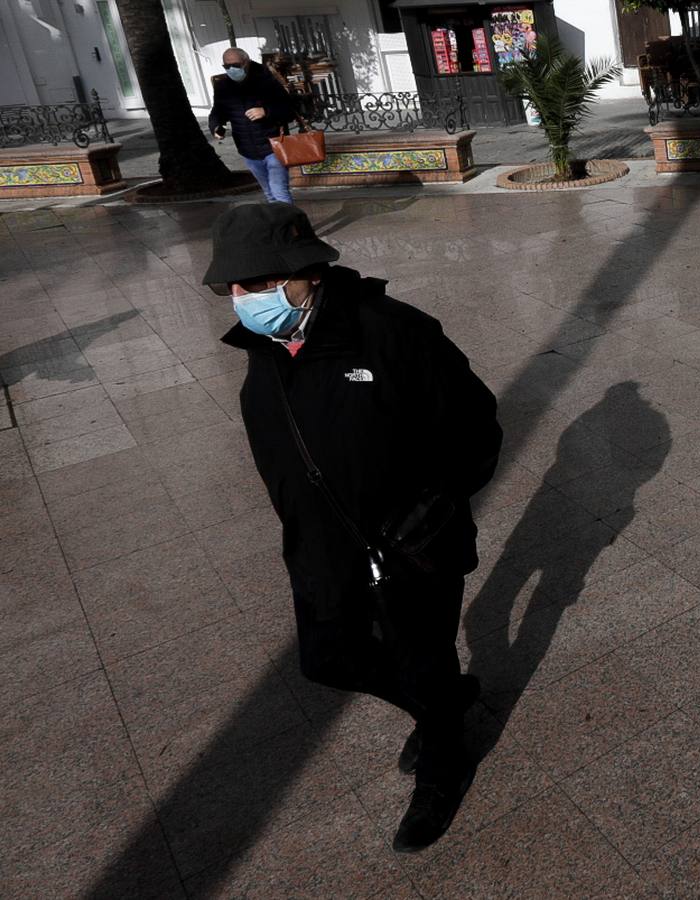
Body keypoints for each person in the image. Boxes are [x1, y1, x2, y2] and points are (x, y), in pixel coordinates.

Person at [202, 202, 502, 853]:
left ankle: (443, 764)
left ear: (304, 271)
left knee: (422, 656)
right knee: (326, 659)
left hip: (412, 547)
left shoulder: (392, 332)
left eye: (253, 283)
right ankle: (441, 704)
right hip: (321, 549)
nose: (240, 298)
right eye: (231, 286)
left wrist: (434, 506)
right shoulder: (265, 350)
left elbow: (476, 428)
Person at [209, 48, 296, 203]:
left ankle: (291, 226)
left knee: (279, 192)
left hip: (273, 145)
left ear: (246, 62)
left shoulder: (266, 80)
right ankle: (281, 225)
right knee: (269, 194)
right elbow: (218, 111)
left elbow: (288, 109)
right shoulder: (223, 86)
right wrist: (216, 126)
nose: (231, 69)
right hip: (248, 149)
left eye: (235, 65)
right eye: (226, 66)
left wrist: (266, 111)